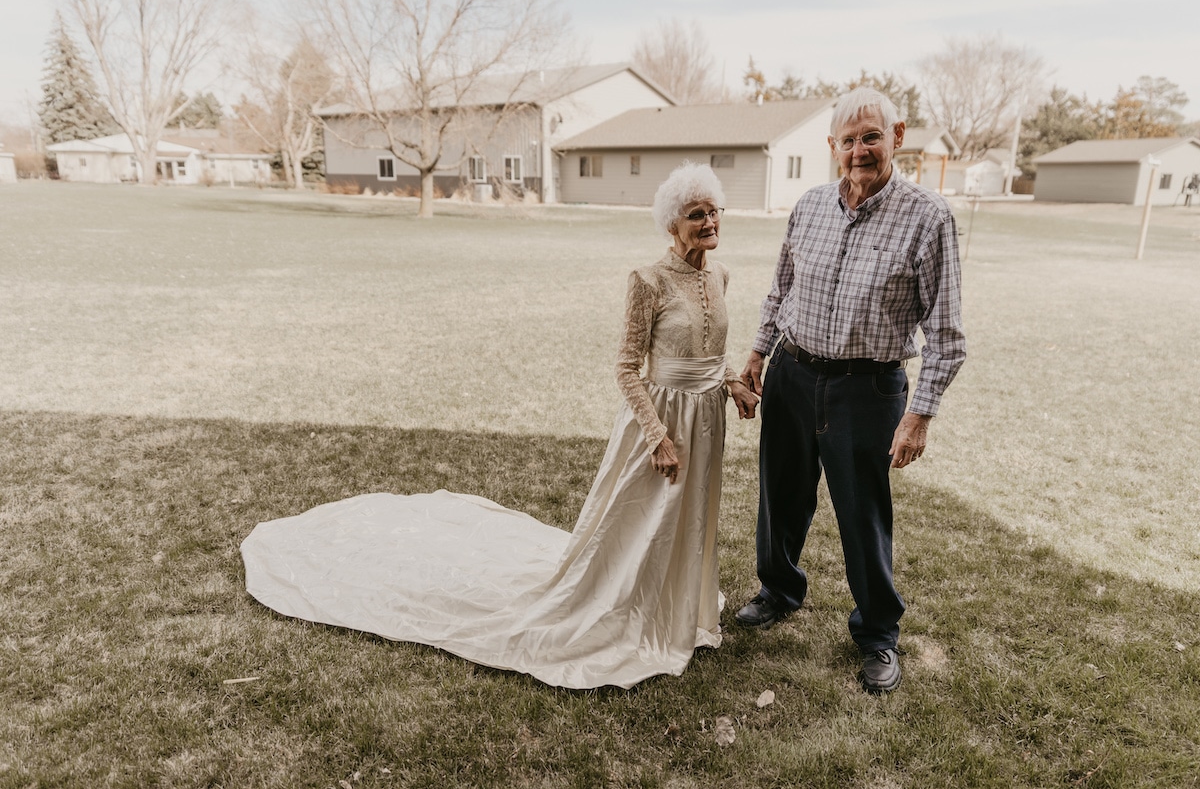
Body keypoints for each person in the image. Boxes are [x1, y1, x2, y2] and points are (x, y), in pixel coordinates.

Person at [241, 162, 759, 690]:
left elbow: (709, 357)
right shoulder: (646, 281)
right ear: (672, 225)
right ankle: (629, 610)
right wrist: (656, 435)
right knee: (642, 522)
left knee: (691, 515)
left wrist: (733, 383)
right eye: (696, 214)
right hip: (661, 427)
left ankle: (676, 609)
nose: (709, 221)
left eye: (714, 211)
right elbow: (627, 370)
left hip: (706, 423)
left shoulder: (720, 276)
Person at [735, 87, 967, 693]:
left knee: (863, 515)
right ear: (831, 146)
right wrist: (760, 352)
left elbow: (945, 333)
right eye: (848, 140)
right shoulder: (808, 206)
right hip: (791, 374)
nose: (860, 150)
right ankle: (779, 591)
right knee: (780, 497)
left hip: (867, 389)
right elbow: (780, 288)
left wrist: (919, 416)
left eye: (872, 136)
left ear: (898, 135)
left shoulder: (928, 217)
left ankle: (877, 634)